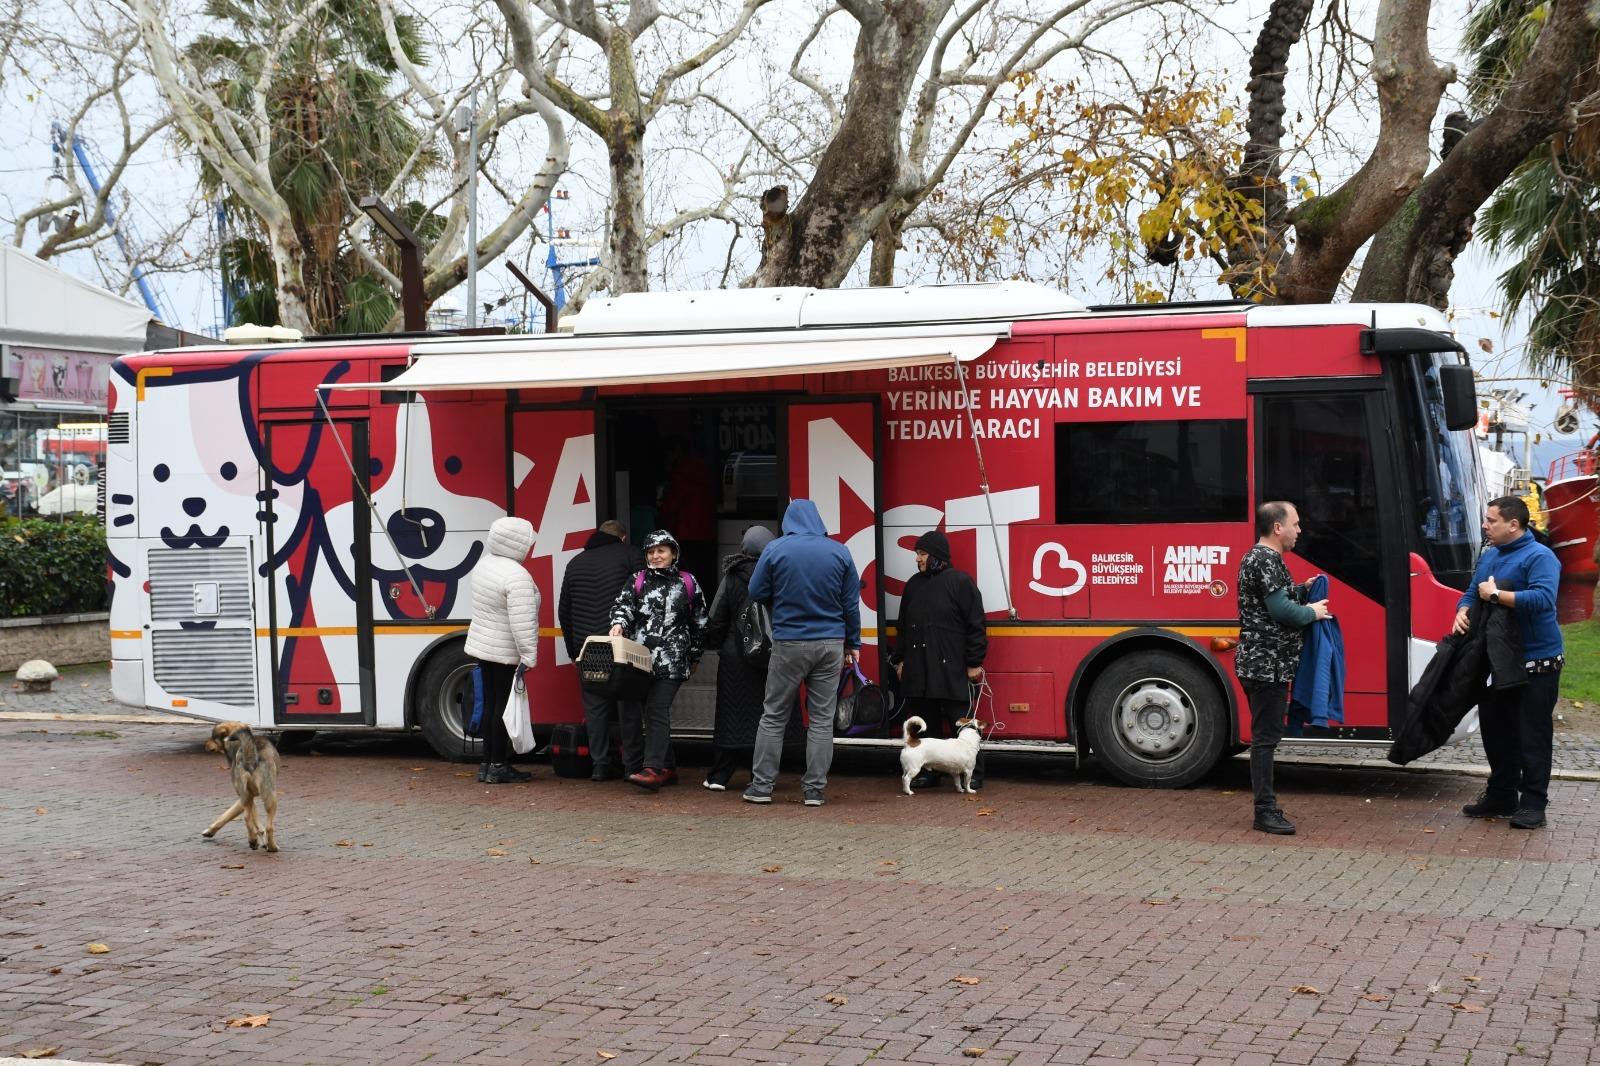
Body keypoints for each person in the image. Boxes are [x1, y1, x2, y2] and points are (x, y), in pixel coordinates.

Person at [742, 499, 861, 808]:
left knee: (774, 716)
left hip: (789, 643)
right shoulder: (839, 552)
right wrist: (854, 643)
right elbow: (850, 604)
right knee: (822, 720)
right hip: (830, 644)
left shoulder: (776, 549)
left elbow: (755, 592)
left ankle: (762, 787)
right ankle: (814, 790)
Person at [1455, 495, 1564, 829]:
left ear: (1513, 524)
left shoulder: (1541, 556)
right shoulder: (1489, 556)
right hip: (1496, 659)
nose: (1485, 526)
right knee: (1496, 729)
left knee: (1532, 733)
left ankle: (1533, 803)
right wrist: (1462, 609)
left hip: (1537, 661)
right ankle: (1502, 794)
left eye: (1491, 521)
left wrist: (1497, 596)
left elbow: (1543, 599)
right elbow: (1473, 591)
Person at [1235, 501, 1331, 835]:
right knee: (1265, 740)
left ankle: (1266, 806)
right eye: (1296, 523)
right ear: (1278, 527)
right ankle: (1265, 811)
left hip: (1261, 664)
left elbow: (1272, 600)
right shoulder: (1266, 559)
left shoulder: (1261, 558)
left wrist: (1301, 590)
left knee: (1266, 737)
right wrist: (1312, 612)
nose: (1299, 530)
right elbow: (1281, 612)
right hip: (1267, 667)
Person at [608, 529, 709, 792]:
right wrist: (618, 624)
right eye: (651, 552)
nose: (655, 556)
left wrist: (695, 655)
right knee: (648, 710)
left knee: (656, 709)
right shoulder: (637, 579)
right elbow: (623, 607)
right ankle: (669, 767)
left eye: (661, 551)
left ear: (673, 553)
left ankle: (653, 768)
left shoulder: (687, 582)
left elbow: (699, 622)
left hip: (673, 659)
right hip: (640, 660)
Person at [891, 530, 989, 790]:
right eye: (917, 554)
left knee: (963, 725)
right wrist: (900, 659)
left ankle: (974, 773)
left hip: (952, 668)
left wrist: (974, 662)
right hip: (919, 668)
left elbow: (976, 625)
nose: (918, 559)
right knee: (927, 720)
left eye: (922, 554)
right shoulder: (913, 584)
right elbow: (903, 626)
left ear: (936, 556)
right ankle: (929, 771)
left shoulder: (960, 582)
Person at [558, 519, 643, 781]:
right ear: (623, 537)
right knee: (628, 706)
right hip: (621, 647)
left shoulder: (575, 563)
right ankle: (632, 766)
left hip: (589, 648)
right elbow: (644, 597)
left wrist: (574, 651)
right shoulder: (631, 555)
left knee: (595, 708)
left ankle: (600, 765)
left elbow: (565, 612)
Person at [462, 516, 540, 785]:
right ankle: (498, 765)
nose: (529, 548)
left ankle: (486, 763)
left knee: (490, 704)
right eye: (528, 542)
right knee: (502, 709)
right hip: (505, 650)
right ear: (516, 543)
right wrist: (528, 656)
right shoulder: (516, 575)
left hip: (484, 647)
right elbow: (522, 622)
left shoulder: (485, 565)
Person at [700, 525, 778, 790]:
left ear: (744, 547)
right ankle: (761, 776)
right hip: (770, 656)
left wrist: (716, 645)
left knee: (730, 715)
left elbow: (716, 617)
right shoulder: (778, 572)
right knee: (766, 716)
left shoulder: (732, 575)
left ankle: (719, 776)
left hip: (736, 655)